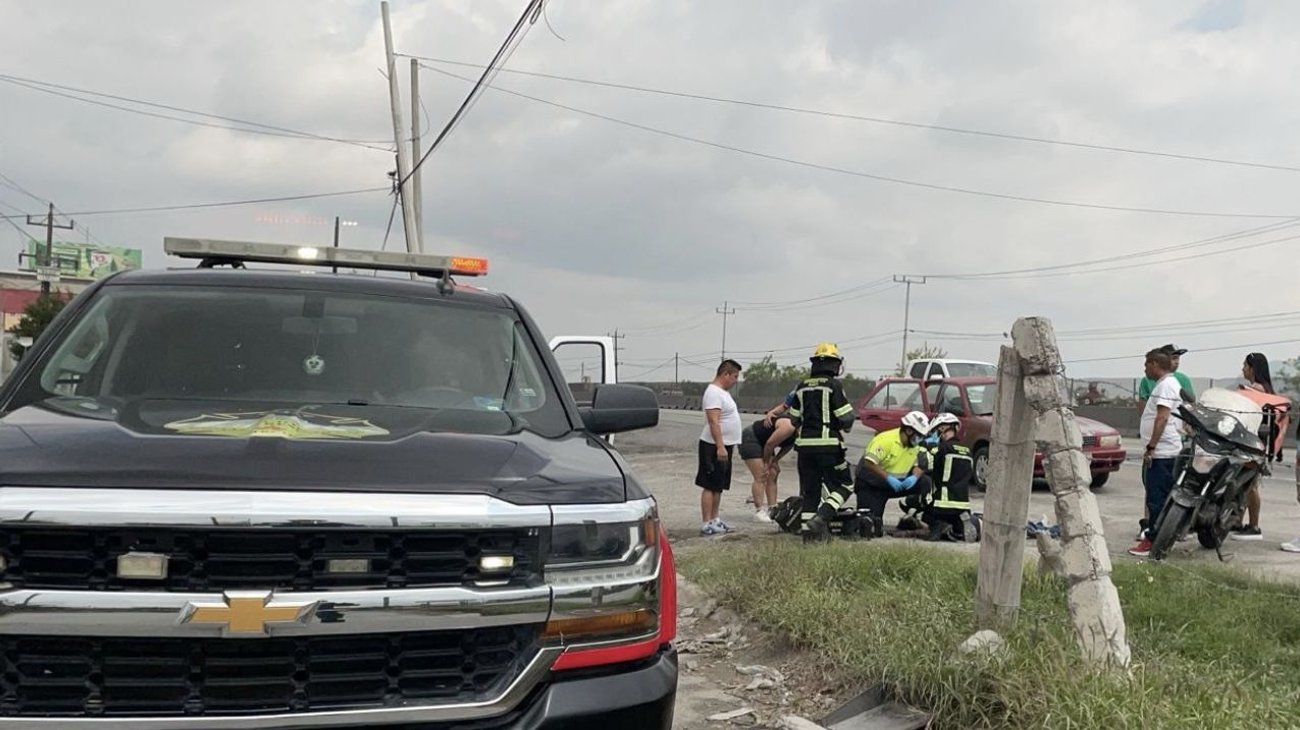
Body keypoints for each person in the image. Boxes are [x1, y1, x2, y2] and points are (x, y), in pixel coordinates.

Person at [787, 343, 857, 541]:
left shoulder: (801, 387)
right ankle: (823, 516)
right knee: (844, 485)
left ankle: (809, 537)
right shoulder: (834, 386)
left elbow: (793, 419)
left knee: (810, 493)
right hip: (829, 447)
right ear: (835, 365)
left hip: (804, 450)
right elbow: (846, 418)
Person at [1129, 349, 1183, 558]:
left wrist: (1151, 447)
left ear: (1154, 364)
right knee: (1161, 497)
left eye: (1146, 365)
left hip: (1163, 452)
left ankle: (1153, 541)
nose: (1144, 369)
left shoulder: (1167, 385)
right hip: (1165, 449)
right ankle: (1161, 539)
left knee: (1156, 498)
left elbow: (1161, 418)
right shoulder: (1166, 384)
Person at [853, 411, 933, 538]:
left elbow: (922, 465)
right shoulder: (886, 440)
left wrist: (914, 477)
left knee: (925, 481)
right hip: (872, 485)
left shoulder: (915, 445)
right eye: (919, 436)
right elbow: (869, 463)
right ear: (909, 431)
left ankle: (916, 516)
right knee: (871, 526)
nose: (920, 440)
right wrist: (888, 478)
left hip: (896, 484)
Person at [1232, 353, 1277, 541]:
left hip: (1252, 445)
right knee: (1245, 484)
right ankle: (1238, 522)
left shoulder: (1256, 390)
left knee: (1250, 485)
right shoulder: (1264, 389)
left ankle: (1254, 526)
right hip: (1255, 444)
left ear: (1252, 369)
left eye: (1245, 365)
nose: (1243, 368)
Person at [696, 359, 743, 536]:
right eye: (734, 376)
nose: (736, 380)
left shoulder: (722, 393)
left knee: (719, 485)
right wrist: (720, 446)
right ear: (725, 374)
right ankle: (706, 522)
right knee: (709, 484)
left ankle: (715, 519)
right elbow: (713, 421)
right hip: (713, 445)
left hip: (725, 445)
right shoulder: (713, 393)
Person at [918, 413, 979, 542]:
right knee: (956, 519)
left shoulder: (942, 448)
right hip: (962, 504)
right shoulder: (967, 450)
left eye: (936, 431)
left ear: (942, 429)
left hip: (942, 503)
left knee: (921, 507)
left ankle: (937, 525)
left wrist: (923, 448)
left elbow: (926, 465)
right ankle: (958, 528)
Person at [738, 414, 796, 522]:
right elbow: (770, 444)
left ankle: (772, 508)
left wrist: (775, 460)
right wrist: (766, 462)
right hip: (751, 437)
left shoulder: (801, 434)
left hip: (766, 443)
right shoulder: (788, 426)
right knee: (761, 474)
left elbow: (788, 446)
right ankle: (759, 510)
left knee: (773, 472)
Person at [1136, 344, 1195, 413]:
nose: (1177, 362)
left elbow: (1191, 404)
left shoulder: (1183, 378)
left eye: (1177, 358)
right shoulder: (1147, 380)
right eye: (1173, 358)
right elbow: (1143, 406)